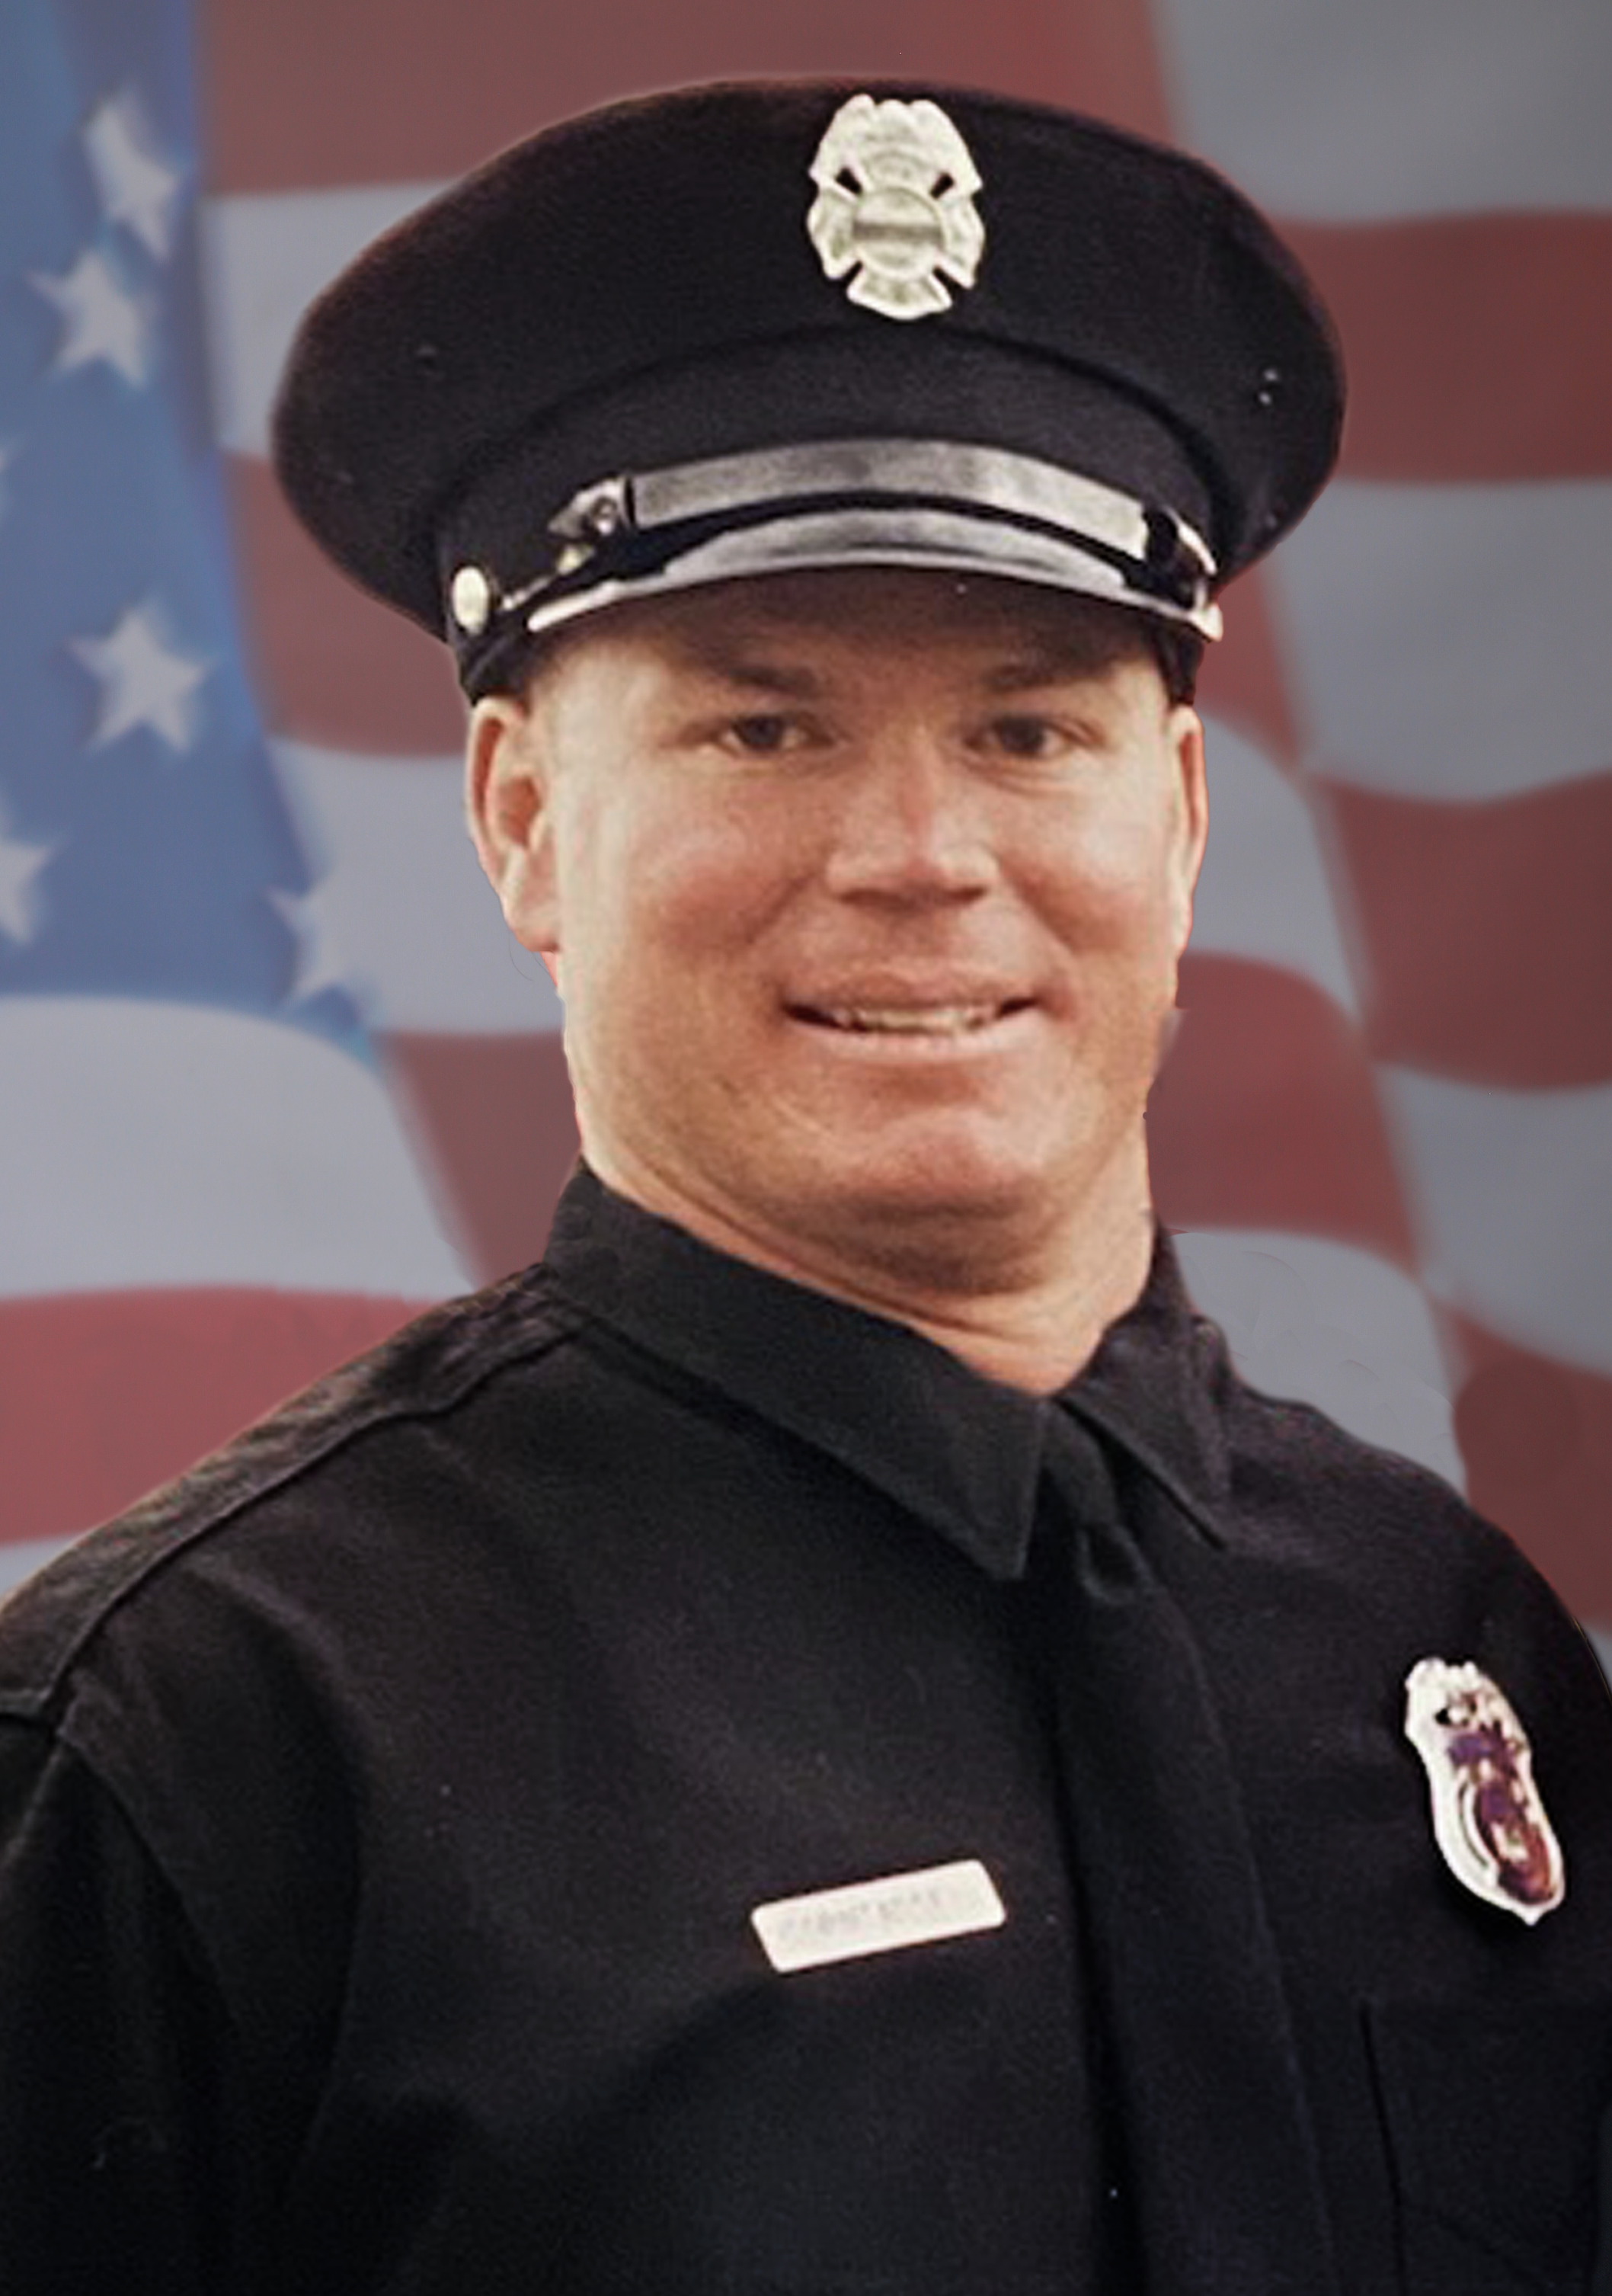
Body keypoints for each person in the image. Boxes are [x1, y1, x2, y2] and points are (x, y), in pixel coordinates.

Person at [0, 78, 1608, 2296]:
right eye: (763, 728)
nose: (919, 856)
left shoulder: (1435, 1649)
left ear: (1182, 816)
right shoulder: (210, 1743)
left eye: (1028, 729)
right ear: (520, 819)